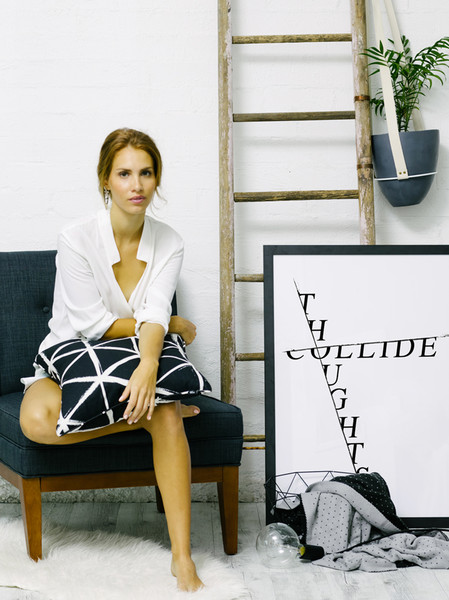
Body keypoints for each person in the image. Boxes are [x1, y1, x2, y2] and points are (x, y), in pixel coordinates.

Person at [19, 128, 204, 592]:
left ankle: (182, 558)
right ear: (106, 179)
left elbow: (155, 311)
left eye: (146, 173)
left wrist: (149, 362)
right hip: (72, 353)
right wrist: (167, 324)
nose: (136, 185)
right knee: (36, 423)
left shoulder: (170, 242)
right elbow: (92, 323)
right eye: (124, 174)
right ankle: (137, 417)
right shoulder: (76, 238)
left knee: (167, 417)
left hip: (135, 354)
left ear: (157, 178)